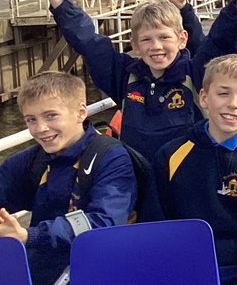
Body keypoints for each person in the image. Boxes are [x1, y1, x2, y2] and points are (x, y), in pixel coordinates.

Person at [29, 0, 237, 161]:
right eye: (147, 40)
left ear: (182, 39)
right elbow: (88, 40)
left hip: (186, 181)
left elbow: (221, 41)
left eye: (164, 38)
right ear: (135, 46)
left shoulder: (197, 73)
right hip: (139, 182)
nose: (156, 47)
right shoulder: (124, 76)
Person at [150, 55, 237, 285]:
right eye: (223, 93)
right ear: (204, 98)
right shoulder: (170, 156)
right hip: (185, 271)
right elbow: (156, 226)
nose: (233, 104)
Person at [0, 72, 139, 285]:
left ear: (80, 112)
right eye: (31, 120)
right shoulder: (34, 160)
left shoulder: (112, 158)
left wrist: (31, 235)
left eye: (51, 116)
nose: (40, 129)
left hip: (97, 270)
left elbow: (104, 222)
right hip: (44, 271)